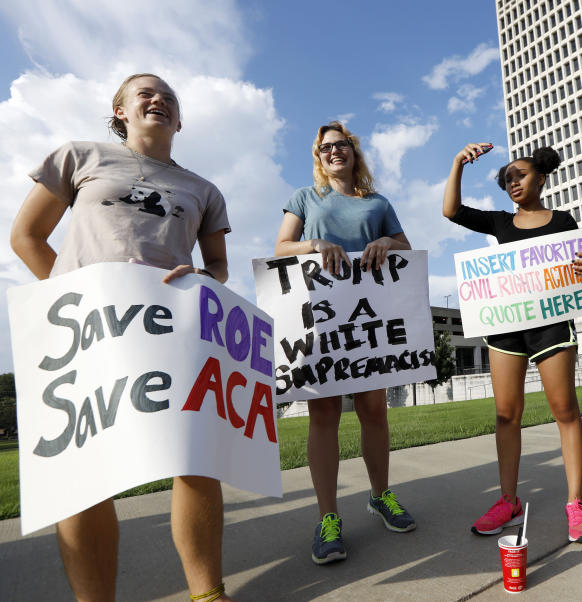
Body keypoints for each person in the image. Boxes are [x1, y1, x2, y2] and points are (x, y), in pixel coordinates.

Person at [9, 74, 233, 601]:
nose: (159, 100)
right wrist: (77, 297)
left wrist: (206, 279)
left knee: (194, 457)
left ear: (180, 121)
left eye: (169, 98)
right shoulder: (79, 157)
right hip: (88, 331)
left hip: (170, 329)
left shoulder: (204, 189)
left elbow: (217, 265)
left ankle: (208, 594)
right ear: (120, 112)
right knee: (83, 465)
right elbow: (26, 236)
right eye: (145, 94)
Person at [442, 143, 582, 543]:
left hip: (551, 325)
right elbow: (452, 211)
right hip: (506, 328)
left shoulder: (564, 222)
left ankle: (576, 503)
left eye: (519, 175)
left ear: (542, 178)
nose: (511, 182)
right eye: (507, 179)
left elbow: (581, 271)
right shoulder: (500, 222)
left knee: (565, 409)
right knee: (506, 415)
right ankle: (508, 501)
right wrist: (457, 162)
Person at [274, 121, 416, 565]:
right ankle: (328, 518)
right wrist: (314, 244)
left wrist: (385, 242)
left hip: (368, 325)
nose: (334, 152)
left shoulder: (377, 202)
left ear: (354, 152)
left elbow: (406, 248)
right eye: (326, 147)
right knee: (325, 414)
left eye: (342, 145)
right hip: (322, 319)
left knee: (374, 410)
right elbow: (280, 248)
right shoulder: (305, 197)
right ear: (319, 157)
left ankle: (380, 496)